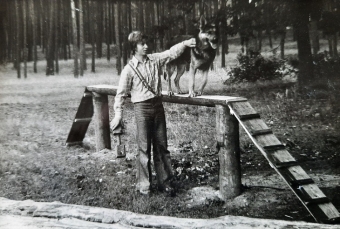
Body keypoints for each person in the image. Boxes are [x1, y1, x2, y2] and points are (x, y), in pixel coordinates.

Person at [110, 31, 196, 196]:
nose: (146, 46)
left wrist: (184, 44)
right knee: (143, 148)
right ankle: (144, 186)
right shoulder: (128, 70)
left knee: (162, 146)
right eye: (142, 44)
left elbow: (171, 53)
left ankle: (165, 182)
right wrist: (118, 115)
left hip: (158, 106)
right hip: (141, 109)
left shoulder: (155, 60)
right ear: (134, 47)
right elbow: (120, 94)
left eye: (146, 43)